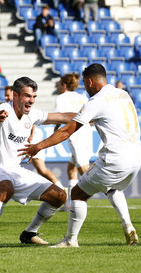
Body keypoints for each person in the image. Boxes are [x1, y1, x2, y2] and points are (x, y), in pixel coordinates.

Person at [20, 63, 141, 247]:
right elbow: (93, 117)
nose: (85, 89)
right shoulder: (122, 94)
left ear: (90, 81)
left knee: (77, 193)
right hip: (136, 157)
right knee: (112, 188)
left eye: (85, 84)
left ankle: (70, 240)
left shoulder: (97, 100)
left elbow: (66, 131)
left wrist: (39, 146)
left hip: (115, 158)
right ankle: (128, 224)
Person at [0, 76, 75, 249]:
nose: (31, 101)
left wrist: (85, 117)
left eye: (34, 97)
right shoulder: (3, 109)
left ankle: (29, 233)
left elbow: (61, 116)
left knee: (59, 196)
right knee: (6, 187)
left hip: (16, 171)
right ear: (15, 95)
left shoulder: (32, 114)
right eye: (27, 96)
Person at [53, 74, 92, 211]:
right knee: (72, 168)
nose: (57, 86)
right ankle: (69, 204)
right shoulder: (82, 97)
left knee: (84, 169)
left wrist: (55, 131)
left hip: (75, 134)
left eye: (58, 84)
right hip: (87, 132)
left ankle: (109, 192)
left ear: (64, 85)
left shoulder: (61, 98)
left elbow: (59, 117)